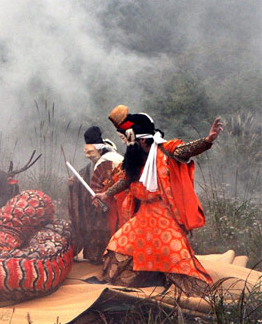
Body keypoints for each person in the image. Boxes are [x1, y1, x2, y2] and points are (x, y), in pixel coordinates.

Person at [96, 105, 224, 296]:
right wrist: (106, 194)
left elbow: (185, 150)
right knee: (118, 248)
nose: (127, 145)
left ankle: (200, 293)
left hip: (165, 215)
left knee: (176, 257)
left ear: (144, 140)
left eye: (130, 140)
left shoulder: (167, 150)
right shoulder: (135, 157)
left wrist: (207, 141)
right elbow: (127, 180)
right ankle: (146, 279)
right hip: (143, 216)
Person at [68, 126, 125, 264]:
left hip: (117, 199)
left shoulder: (110, 160)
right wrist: (74, 183)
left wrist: (107, 193)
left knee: (115, 228)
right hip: (112, 199)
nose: (90, 159)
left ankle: (114, 259)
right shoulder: (100, 162)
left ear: (100, 149)